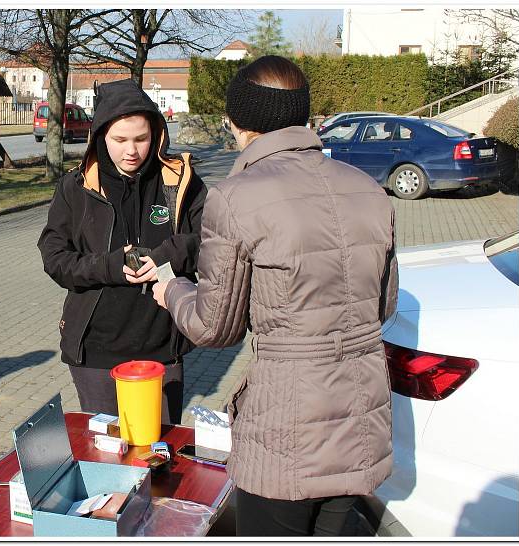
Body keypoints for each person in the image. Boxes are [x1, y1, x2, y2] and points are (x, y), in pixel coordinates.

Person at [152, 56, 399, 536]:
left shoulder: (236, 196)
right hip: (361, 415)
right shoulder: (368, 189)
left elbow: (213, 327)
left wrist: (171, 289)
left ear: (238, 122)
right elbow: (383, 304)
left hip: (287, 425)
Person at [38, 79, 207, 425]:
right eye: (120, 140)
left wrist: (166, 256)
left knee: (158, 455)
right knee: (108, 453)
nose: (131, 150)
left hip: (162, 345)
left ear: (157, 135)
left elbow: (209, 240)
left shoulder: (181, 181)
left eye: (141, 139)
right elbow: (55, 257)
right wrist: (110, 267)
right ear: (100, 136)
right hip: (96, 350)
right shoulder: (76, 186)